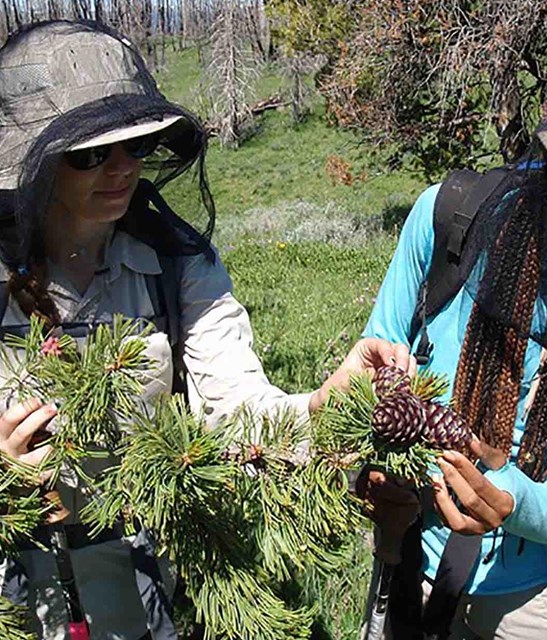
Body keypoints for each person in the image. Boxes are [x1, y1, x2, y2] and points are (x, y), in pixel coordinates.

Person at [0, 20, 413, 640]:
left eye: (136, 147)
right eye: (90, 154)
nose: (120, 169)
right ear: (34, 162)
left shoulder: (176, 264)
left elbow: (236, 405)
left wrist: (331, 399)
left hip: (143, 583)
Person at [359, 70, 547, 640]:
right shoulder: (450, 218)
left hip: (534, 601)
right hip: (411, 553)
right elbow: (377, 353)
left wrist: (509, 497)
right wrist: (376, 462)